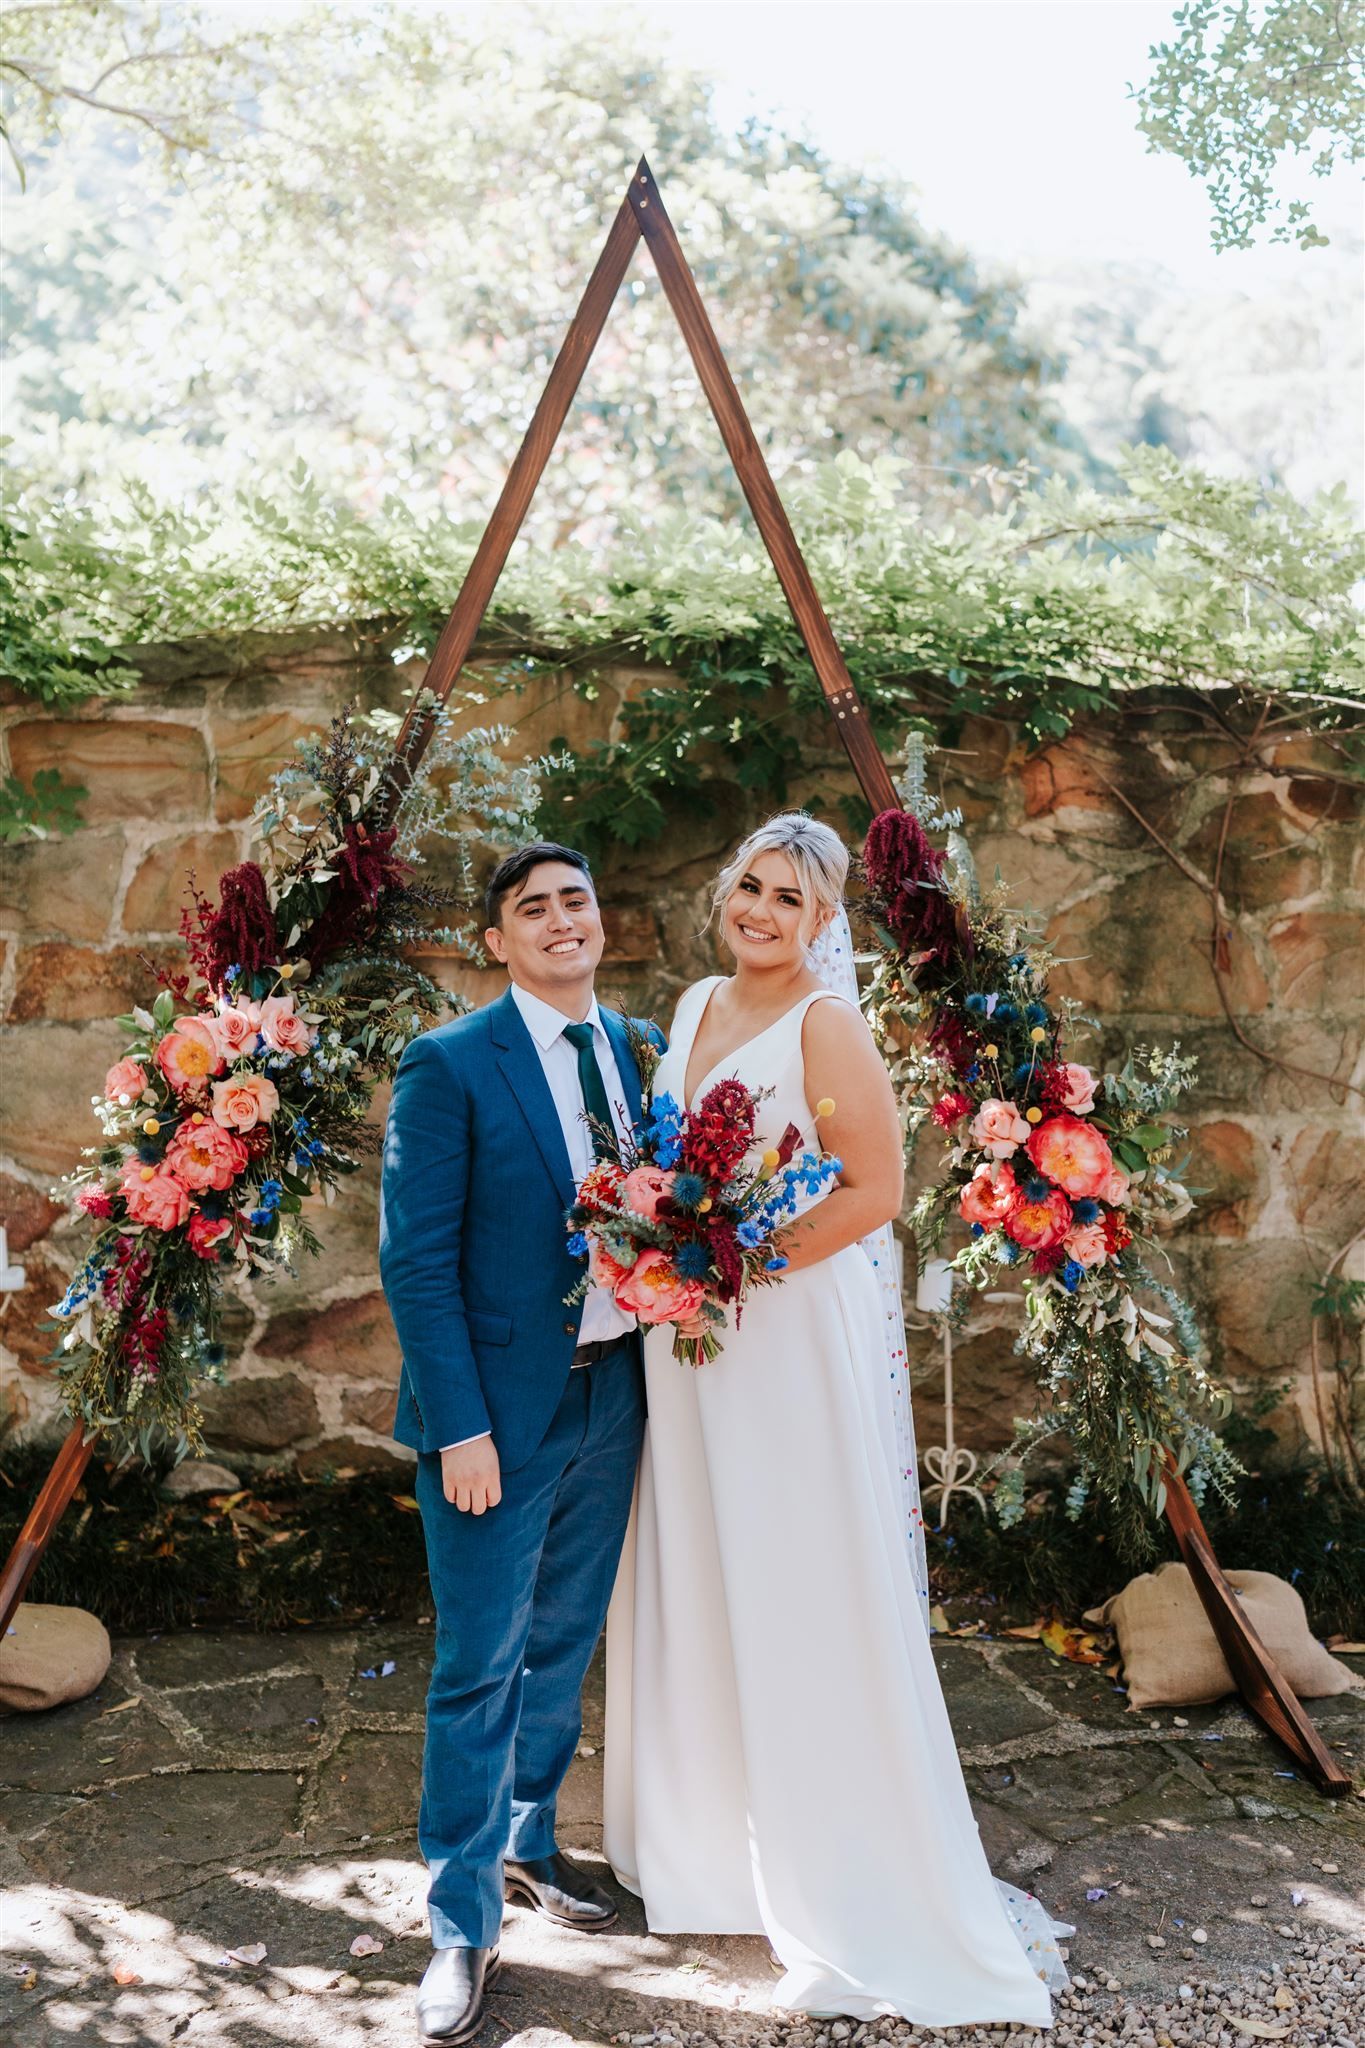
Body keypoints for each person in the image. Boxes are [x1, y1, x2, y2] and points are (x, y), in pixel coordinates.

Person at [603, 811, 1070, 2031]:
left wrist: (735, 1267)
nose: (760, 911)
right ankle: (713, 1847)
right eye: (748, 886)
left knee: (795, 1568)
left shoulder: (827, 1022)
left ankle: (847, 1861)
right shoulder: (701, 1001)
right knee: (702, 1557)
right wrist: (668, 1246)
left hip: (780, 1331)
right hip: (689, 1335)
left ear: (825, 921)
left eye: (789, 899)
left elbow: (876, 1189)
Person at [379, 842, 659, 2046]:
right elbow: (415, 1261)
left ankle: (534, 1838)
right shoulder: (447, 1063)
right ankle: (459, 1916)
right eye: (530, 908)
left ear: (602, 919)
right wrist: (463, 1428)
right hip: (496, 1418)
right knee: (479, 1661)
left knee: (564, 1639)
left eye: (575, 901)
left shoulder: (637, 1049)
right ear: (495, 939)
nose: (558, 921)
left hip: (619, 1397)